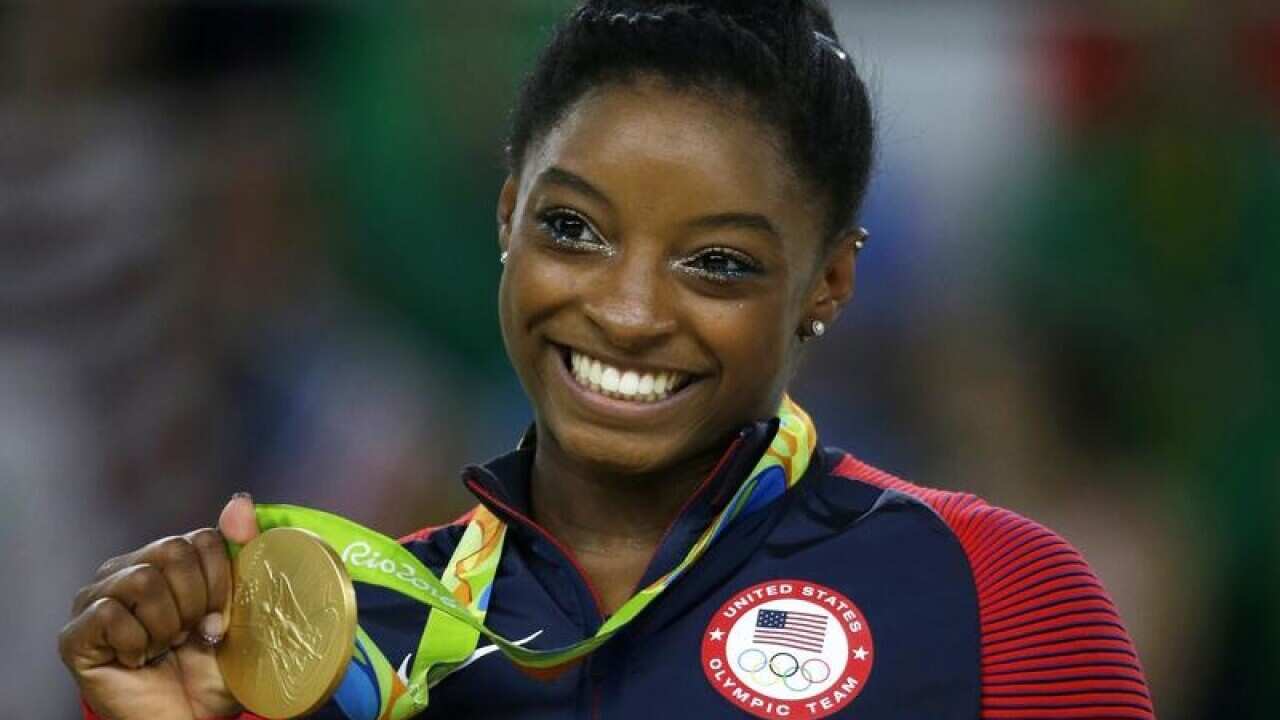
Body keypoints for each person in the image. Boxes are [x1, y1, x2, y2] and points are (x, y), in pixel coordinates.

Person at [59, 2, 1156, 718]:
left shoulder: (995, 600)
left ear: (828, 283)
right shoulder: (344, 645)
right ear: (506, 217)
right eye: (573, 230)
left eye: (717, 261)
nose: (626, 312)